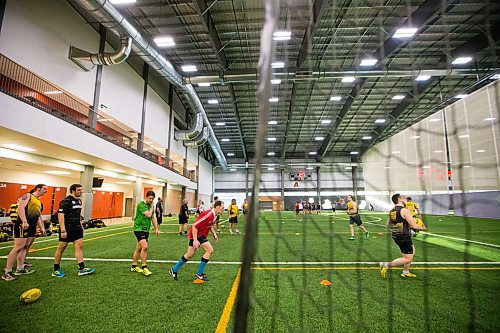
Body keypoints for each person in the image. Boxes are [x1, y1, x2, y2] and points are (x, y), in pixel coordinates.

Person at [169, 200, 224, 282]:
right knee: (210, 250)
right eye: (222, 208)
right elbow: (194, 226)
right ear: (217, 207)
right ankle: (199, 273)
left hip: (198, 234)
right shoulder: (209, 214)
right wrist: (195, 240)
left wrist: (214, 234)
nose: (223, 209)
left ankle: (174, 269)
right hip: (197, 234)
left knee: (189, 254)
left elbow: (210, 225)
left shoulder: (215, 215)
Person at [2, 184, 47, 281]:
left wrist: (41, 228)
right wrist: (24, 221)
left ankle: (20, 268)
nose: (46, 191)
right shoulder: (28, 196)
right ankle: (7, 272)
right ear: (38, 188)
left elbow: (37, 216)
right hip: (23, 225)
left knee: (25, 246)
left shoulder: (38, 201)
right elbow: (20, 208)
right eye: (44, 189)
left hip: (31, 226)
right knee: (18, 247)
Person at [51, 184, 95, 277]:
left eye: (81, 190)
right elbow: (60, 215)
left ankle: (81, 268)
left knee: (79, 247)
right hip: (67, 228)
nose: (81, 192)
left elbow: (78, 214)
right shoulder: (66, 201)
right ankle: (56, 269)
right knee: (61, 248)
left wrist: (81, 225)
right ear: (73, 191)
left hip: (77, 228)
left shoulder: (79, 201)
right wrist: (63, 230)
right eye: (79, 190)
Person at [379, 194, 427, 278]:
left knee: (412, 250)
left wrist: (399, 226)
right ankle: (386, 264)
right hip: (403, 236)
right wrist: (423, 228)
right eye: (403, 198)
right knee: (408, 258)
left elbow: (388, 225)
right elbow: (414, 226)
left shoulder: (392, 211)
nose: (404, 200)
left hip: (396, 235)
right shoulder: (404, 210)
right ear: (399, 199)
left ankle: (405, 271)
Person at [131, 191, 159, 276]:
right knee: (145, 247)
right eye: (150, 198)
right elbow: (148, 215)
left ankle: (134, 266)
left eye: (152, 199)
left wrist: (156, 228)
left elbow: (153, 217)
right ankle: (144, 268)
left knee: (138, 248)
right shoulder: (141, 205)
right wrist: (152, 207)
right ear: (146, 197)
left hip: (146, 229)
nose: (151, 200)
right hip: (138, 228)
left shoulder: (150, 206)